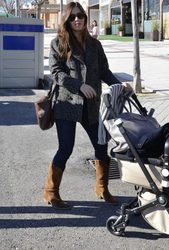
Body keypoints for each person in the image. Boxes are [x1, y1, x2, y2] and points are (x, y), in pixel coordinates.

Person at [43, 1, 132, 209]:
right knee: (66, 147)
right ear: (67, 20)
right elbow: (56, 73)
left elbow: (105, 72)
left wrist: (122, 86)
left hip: (91, 105)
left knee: (101, 144)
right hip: (66, 103)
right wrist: (79, 86)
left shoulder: (95, 45)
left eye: (80, 16)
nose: (77, 19)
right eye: (73, 16)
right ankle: (51, 192)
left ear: (85, 18)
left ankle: (102, 188)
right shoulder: (59, 43)